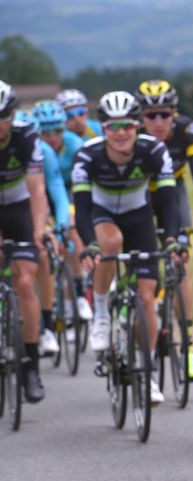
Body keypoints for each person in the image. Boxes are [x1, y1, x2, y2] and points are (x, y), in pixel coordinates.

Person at [73, 90, 182, 405]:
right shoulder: (88, 155)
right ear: (102, 128)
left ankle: (147, 374)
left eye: (128, 126)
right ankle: (102, 312)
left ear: (138, 126)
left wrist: (172, 238)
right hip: (101, 213)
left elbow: (168, 199)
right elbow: (81, 206)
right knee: (109, 242)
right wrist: (89, 244)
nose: (120, 134)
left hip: (139, 217)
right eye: (112, 127)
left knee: (146, 296)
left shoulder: (154, 151)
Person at [135, 79, 193, 381]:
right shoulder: (129, 134)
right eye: (151, 116)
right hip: (137, 193)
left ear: (174, 114)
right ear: (140, 117)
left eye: (165, 114)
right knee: (137, 261)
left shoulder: (189, 130)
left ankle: (187, 347)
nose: (158, 122)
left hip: (172, 193)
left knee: (180, 261)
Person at [0, 81, 51, 402]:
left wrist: (37, 230)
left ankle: (31, 365)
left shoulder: (26, 136)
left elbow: (37, 190)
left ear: (13, 115)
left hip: (19, 207)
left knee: (25, 278)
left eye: (2, 116)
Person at [31, 100, 92, 323]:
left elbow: (69, 190)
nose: (52, 137)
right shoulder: (35, 149)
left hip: (68, 190)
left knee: (72, 229)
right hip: (39, 192)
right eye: (45, 132)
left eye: (57, 130)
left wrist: (63, 228)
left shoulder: (75, 144)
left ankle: (78, 288)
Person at [15, 109, 70, 357]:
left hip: (34, 209)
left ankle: (47, 326)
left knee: (43, 254)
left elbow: (57, 195)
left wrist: (59, 230)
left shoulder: (44, 153)